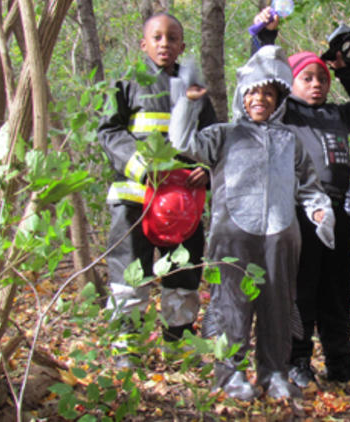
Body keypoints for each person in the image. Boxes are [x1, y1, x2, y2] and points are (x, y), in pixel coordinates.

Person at [168, 45, 336, 401]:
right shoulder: (223, 135)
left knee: (278, 305)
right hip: (231, 237)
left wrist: (320, 211)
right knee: (231, 305)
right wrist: (189, 102)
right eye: (253, 92)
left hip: (281, 238)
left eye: (269, 93)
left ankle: (274, 372)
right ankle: (229, 375)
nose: (260, 99)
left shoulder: (290, 140)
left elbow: (309, 186)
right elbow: (182, 142)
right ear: (242, 96)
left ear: (279, 100)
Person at [252, 8, 350, 386]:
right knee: (301, 287)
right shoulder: (285, 114)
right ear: (291, 82)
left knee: (336, 289)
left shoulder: (337, 115)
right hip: (300, 213)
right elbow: (263, 75)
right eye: (307, 77)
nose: (317, 84)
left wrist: (343, 67)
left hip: (337, 213)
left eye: (321, 78)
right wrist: (266, 38)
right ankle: (298, 360)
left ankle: (340, 361)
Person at [98, 12, 216, 367]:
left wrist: (205, 170)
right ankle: (126, 346)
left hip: (183, 205)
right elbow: (108, 132)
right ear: (144, 43)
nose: (165, 44)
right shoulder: (125, 83)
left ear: (182, 45)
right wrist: (137, 165)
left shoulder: (194, 86)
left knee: (183, 270)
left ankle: (178, 341)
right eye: (158, 37)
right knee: (129, 270)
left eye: (173, 38)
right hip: (135, 200)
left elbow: (212, 138)